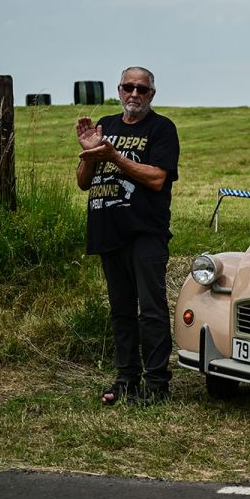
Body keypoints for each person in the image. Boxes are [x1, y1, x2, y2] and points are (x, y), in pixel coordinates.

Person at [75, 67, 180, 405]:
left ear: (152, 94)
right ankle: (126, 379)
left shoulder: (161, 129)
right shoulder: (107, 124)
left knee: (150, 309)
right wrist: (91, 153)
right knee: (121, 310)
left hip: (145, 232)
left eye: (142, 89)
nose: (134, 94)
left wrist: (114, 156)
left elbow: (156, 179)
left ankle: (157, 383)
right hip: (108, 232)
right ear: (119, 91)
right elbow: (82, 181)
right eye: (128, 87)